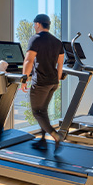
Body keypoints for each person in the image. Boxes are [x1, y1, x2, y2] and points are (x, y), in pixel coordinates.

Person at [21, 13, 65, 151]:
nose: (34, 27)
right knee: (43, 111)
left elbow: (28, 61)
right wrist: (57, 81)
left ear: (38, 24)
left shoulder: (35, 39)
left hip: (40, 82)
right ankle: (42, 140)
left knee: (36, 112)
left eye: (34, 24)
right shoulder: (57, 42)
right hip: (52, 82)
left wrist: (23, 79)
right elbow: (60, 64)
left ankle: (55, 135)